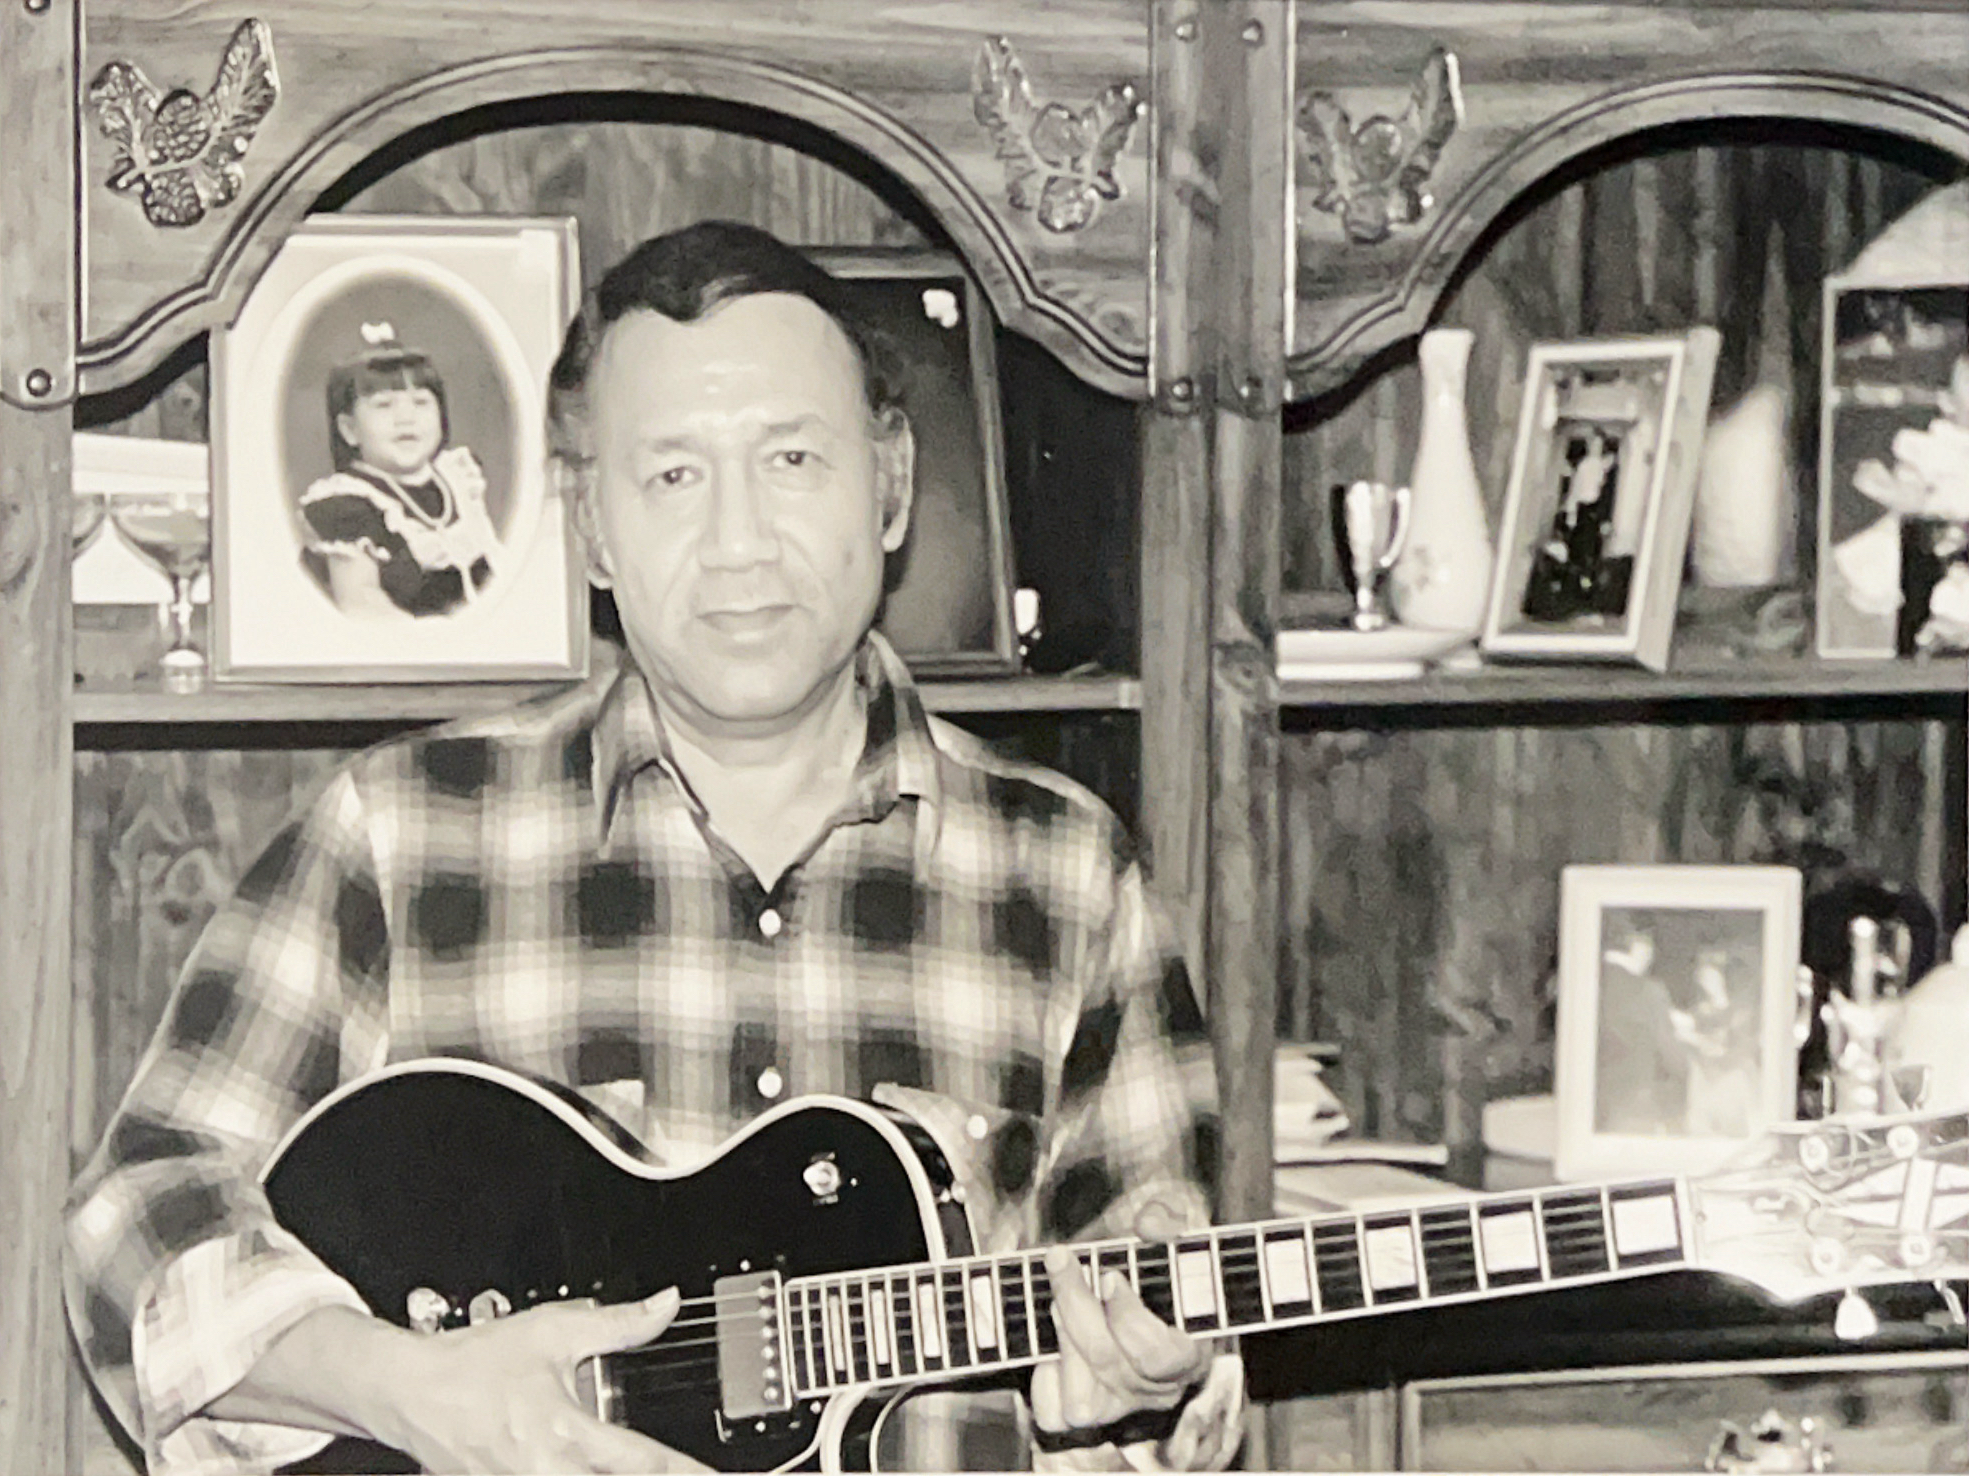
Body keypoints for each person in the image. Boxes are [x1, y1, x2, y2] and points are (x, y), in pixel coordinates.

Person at [65, 222, 1239, 1475]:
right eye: (673, 475)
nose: (739, 541)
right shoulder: (400, 836)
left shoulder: (1068, 874)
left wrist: (1149, 1393)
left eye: (792, 459)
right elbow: (137, 1215)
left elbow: (1154, 1318)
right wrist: (408, 1392)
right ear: (591, 526)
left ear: (891, 485)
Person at [298, 322, 504, 619]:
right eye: (384, 405)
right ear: (349, 429)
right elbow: (361, 604)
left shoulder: (458, 479)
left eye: (421, 402)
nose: (406, 418)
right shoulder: (345, 505)